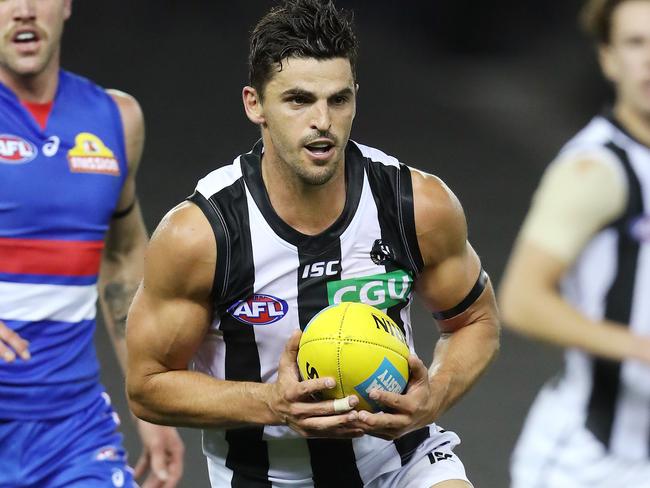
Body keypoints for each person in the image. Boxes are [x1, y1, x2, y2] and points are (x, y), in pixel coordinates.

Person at [126, 0, 499, 486]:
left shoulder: (416, 205)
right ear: (254, 104)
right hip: (265, 478)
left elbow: (477, 320)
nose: (322, 120)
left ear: (355, 100)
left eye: (338, 100)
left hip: (399, 463)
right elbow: (146, 385)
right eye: (299, 100)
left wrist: (435, 396)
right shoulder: (200, 234)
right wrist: (271, 404)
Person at [0, 1, 184, 486]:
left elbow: (123, 259)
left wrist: (148, 399)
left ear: (65, 5)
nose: (22, 10)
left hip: (74, 435)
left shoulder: (115, 119)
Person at [499, 0, 650, 486]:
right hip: (587, 463)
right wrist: (640, 347)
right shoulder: (596, 168)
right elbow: (522, 301)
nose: (649, 58)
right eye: (634, 42)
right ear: (608, 58)